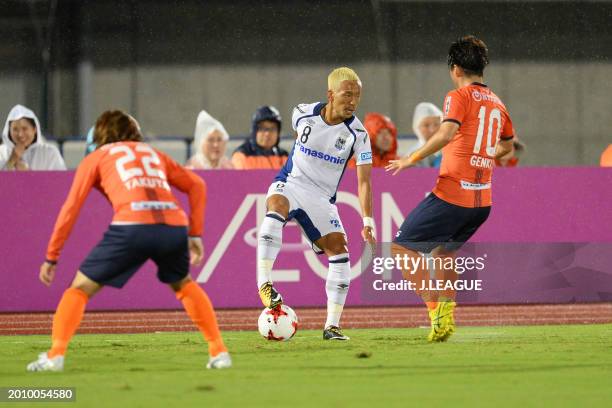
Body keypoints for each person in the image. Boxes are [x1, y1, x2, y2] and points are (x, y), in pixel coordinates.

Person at [27, 110, 231, 372]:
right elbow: (197, 186)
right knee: (183, 285)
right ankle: (219, 351)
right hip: (173, 226)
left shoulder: (98, 156)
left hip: (132, 224)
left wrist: (51, 256)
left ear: (101, 135)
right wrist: (195, 234)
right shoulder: (153, 153)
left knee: (78, 289)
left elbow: (71, 208)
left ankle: (55, 355)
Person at [386, 36, 515, 342]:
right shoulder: (498, 103)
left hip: (454, 194)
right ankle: (446, 318)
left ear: (455, 69)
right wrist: (483, 154)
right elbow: (507, 147)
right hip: (482, 201)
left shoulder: (458, 96)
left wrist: (411, 157)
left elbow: (445, 134)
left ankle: (436, 314)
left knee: (400, 248)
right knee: (445, 253)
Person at [256, 67, 376, 340]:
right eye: (347, 95)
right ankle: (264, 283)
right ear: (330, 94)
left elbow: (365, 181)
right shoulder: (302, 113)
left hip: (322, 198)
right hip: (291, 182)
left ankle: (332, 326)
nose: (353, 102)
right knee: (275, 208)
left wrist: (367, 220)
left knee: (340, 252)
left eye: (357, 96)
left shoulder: (359, 134)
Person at [0, 104, 66, 170]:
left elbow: (60, 179)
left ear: (34, 129)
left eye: (24, 129)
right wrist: (11, 160)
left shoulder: (49, 153)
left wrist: (28, 174)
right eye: (15, 129)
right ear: (9, 131)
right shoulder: (2, 152)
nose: (20, 134)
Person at [408, 102, 443, 168]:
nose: (432, 130)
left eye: (436, 124)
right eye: (426, 125)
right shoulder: (411, 155)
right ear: (417, 128)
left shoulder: (453, 150)